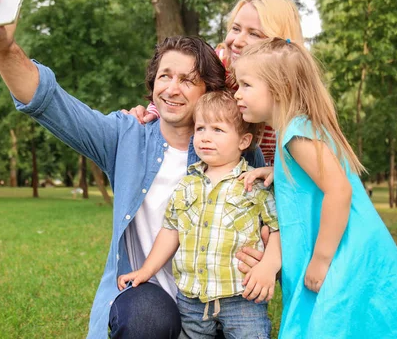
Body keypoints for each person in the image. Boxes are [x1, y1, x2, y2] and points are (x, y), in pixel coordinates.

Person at [0, 0, 266, 339]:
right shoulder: (127, 135)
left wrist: (265, 259)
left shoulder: (239, 153)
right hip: (147, 296)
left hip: (217, 305)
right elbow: (51, 102)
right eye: (165, 76)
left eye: (188, 80)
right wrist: (1, 48)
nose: (172, 88)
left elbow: (273, 217)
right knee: (146, 317)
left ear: (210, 91)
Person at [232, 38, 397, 338]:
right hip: (341, 242)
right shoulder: (296, 129)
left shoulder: (295, 133)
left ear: (279, 89)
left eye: (246, 85)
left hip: (340, 248)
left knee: (330, 323)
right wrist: (274, 171)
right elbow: (314, 176)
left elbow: (339, 190)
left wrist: (321, 259)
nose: (237, 93)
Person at [118, 91, 281, 338]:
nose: (205, 137)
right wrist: (145, 271)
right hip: (192, 300)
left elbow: (278, 228)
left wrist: (269, 266)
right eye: (201, 128)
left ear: (243, 141)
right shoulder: (187, 184)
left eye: (218, 130)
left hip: (242, 297)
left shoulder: (253, 184)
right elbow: (170, 231)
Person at [130, 0, 304, 165]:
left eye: (254, 34)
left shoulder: (294, 93)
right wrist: (149, 114)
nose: (237, 41)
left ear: (278, 46)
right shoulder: (218, 63)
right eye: (235, 29)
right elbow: (178, 89)